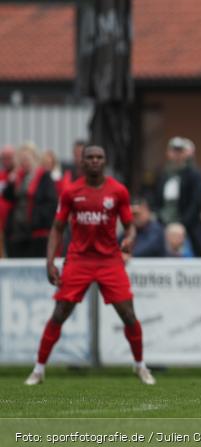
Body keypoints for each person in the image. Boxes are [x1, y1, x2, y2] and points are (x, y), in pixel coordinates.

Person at [24, 145, 154, 386]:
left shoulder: (118, 191)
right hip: (79, 259)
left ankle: (140, 366)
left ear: (105, 161)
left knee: (128, 314)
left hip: (109, 260)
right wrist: (50, 261)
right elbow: (57, 228)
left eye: (99, 157)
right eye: (90, 158)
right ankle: (39, 369)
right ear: (82, 163)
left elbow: (130, 224)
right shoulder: (71, 192)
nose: (95, 161)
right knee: (60, 313)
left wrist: (129, 238)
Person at [152, 136, 201, 257]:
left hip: (188, 224)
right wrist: (162, 219)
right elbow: (155, 200)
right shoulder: (162, 174)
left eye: (180, 151)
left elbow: (196, 202)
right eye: (174, 151)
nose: (176, 154)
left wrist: (183, 223)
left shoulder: (194, 174)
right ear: (168, 153)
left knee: (200, 251)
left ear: (185, 153)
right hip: (163, 223)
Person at [2, 143, 57, 258]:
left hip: (36, 232)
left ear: (34, 159)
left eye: (27, 159)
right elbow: (7, 196)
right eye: (21, 160)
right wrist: (11, 182)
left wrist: (38, 220)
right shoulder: (18, 177)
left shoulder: (44, 176)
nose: (24, 163)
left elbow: (51, 203)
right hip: (17, 232)